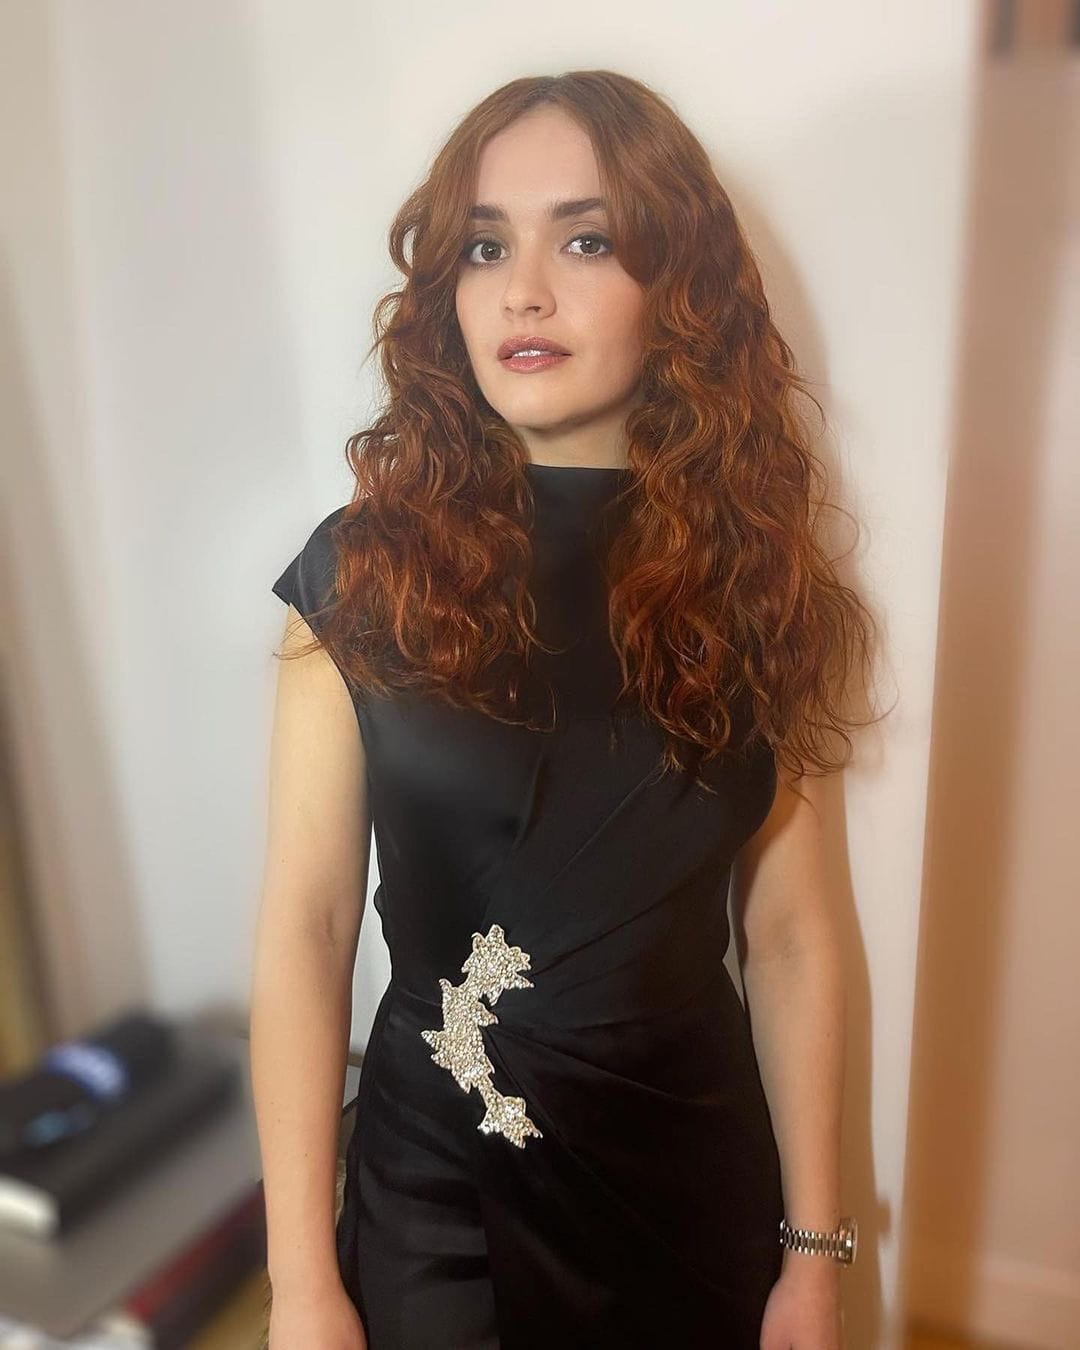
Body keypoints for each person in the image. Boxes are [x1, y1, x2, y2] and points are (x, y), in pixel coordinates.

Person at [250, 68, 878, 1350]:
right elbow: (307, 932)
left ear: (677, 283)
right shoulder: (361, 576)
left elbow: (792, 936)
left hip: (690, 1188)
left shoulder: (751, 582)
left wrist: (816, 1258)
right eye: (486, 247)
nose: (523, 291)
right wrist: (302, 1283)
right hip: (437, 1198)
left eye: (585, 241)